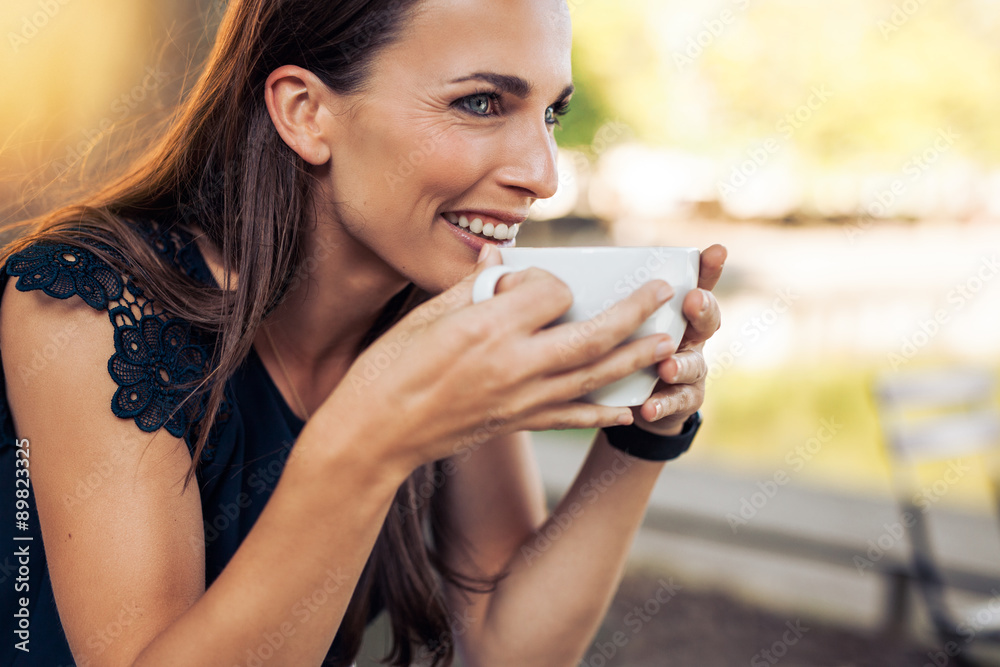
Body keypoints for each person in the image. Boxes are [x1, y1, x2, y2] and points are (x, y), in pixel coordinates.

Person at [0, 0, 726, 665]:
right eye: (479, 103)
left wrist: (644, 433)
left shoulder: (449, 307)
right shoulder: (86, 306)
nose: (542, 175)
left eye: (551, 114)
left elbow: (509, 646)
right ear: (307, 112)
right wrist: (374, 438)